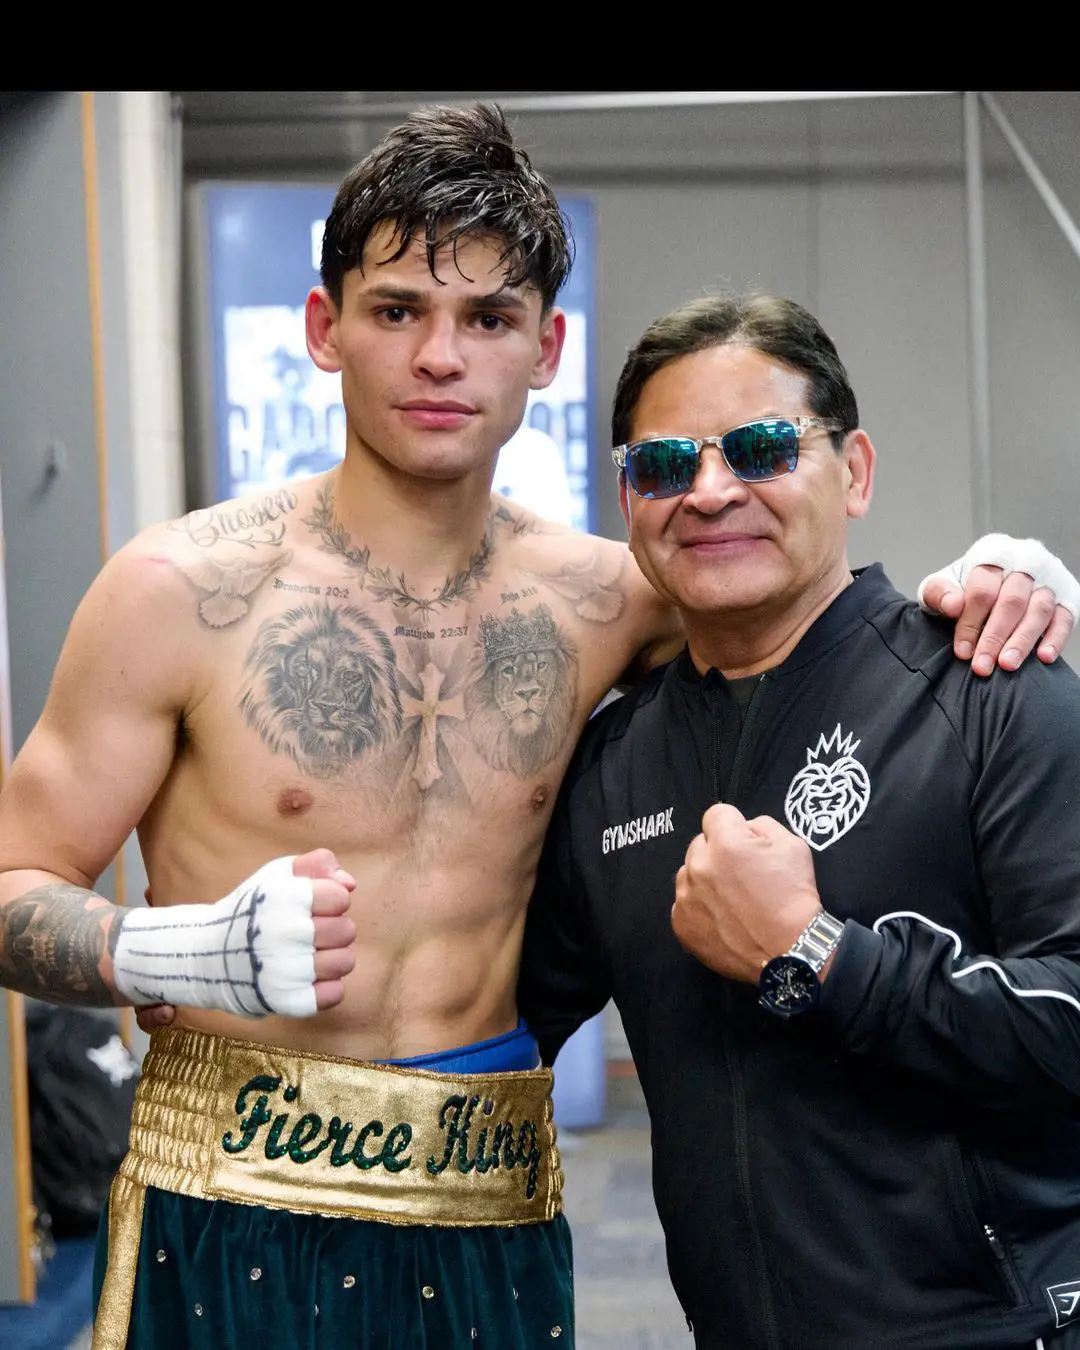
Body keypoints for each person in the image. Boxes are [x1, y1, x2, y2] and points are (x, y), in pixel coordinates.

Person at [0, 105, 1070, 1350]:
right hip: (237, 1184)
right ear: (323, 329)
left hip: (489, 1199)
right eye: (398, 309)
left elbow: (800, 603)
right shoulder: (175, 592)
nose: (441, 357)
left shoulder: (615, 602)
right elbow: (14, 883)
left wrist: (999, 580)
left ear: (547, 348)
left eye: (488, 319)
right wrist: (173, 954)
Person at [517, 288, 1080, 1350]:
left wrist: (819, 960)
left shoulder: (994, 690)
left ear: (854, 471)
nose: (711, 491)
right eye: (666, 466)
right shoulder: (613, 768)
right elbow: (499, 1027)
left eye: (763, 447)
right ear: (629, 500)